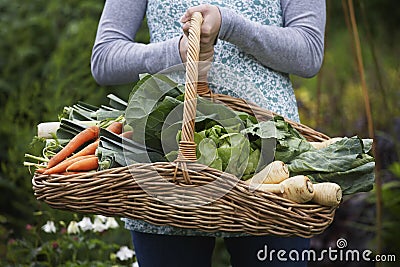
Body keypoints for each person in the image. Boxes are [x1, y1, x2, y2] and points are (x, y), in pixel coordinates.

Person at [91, 0, 326, 266]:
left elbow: (309, 53)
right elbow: (104, 58)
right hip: (167, 158)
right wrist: (179, 50)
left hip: (272, 162)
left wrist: (230, 25)